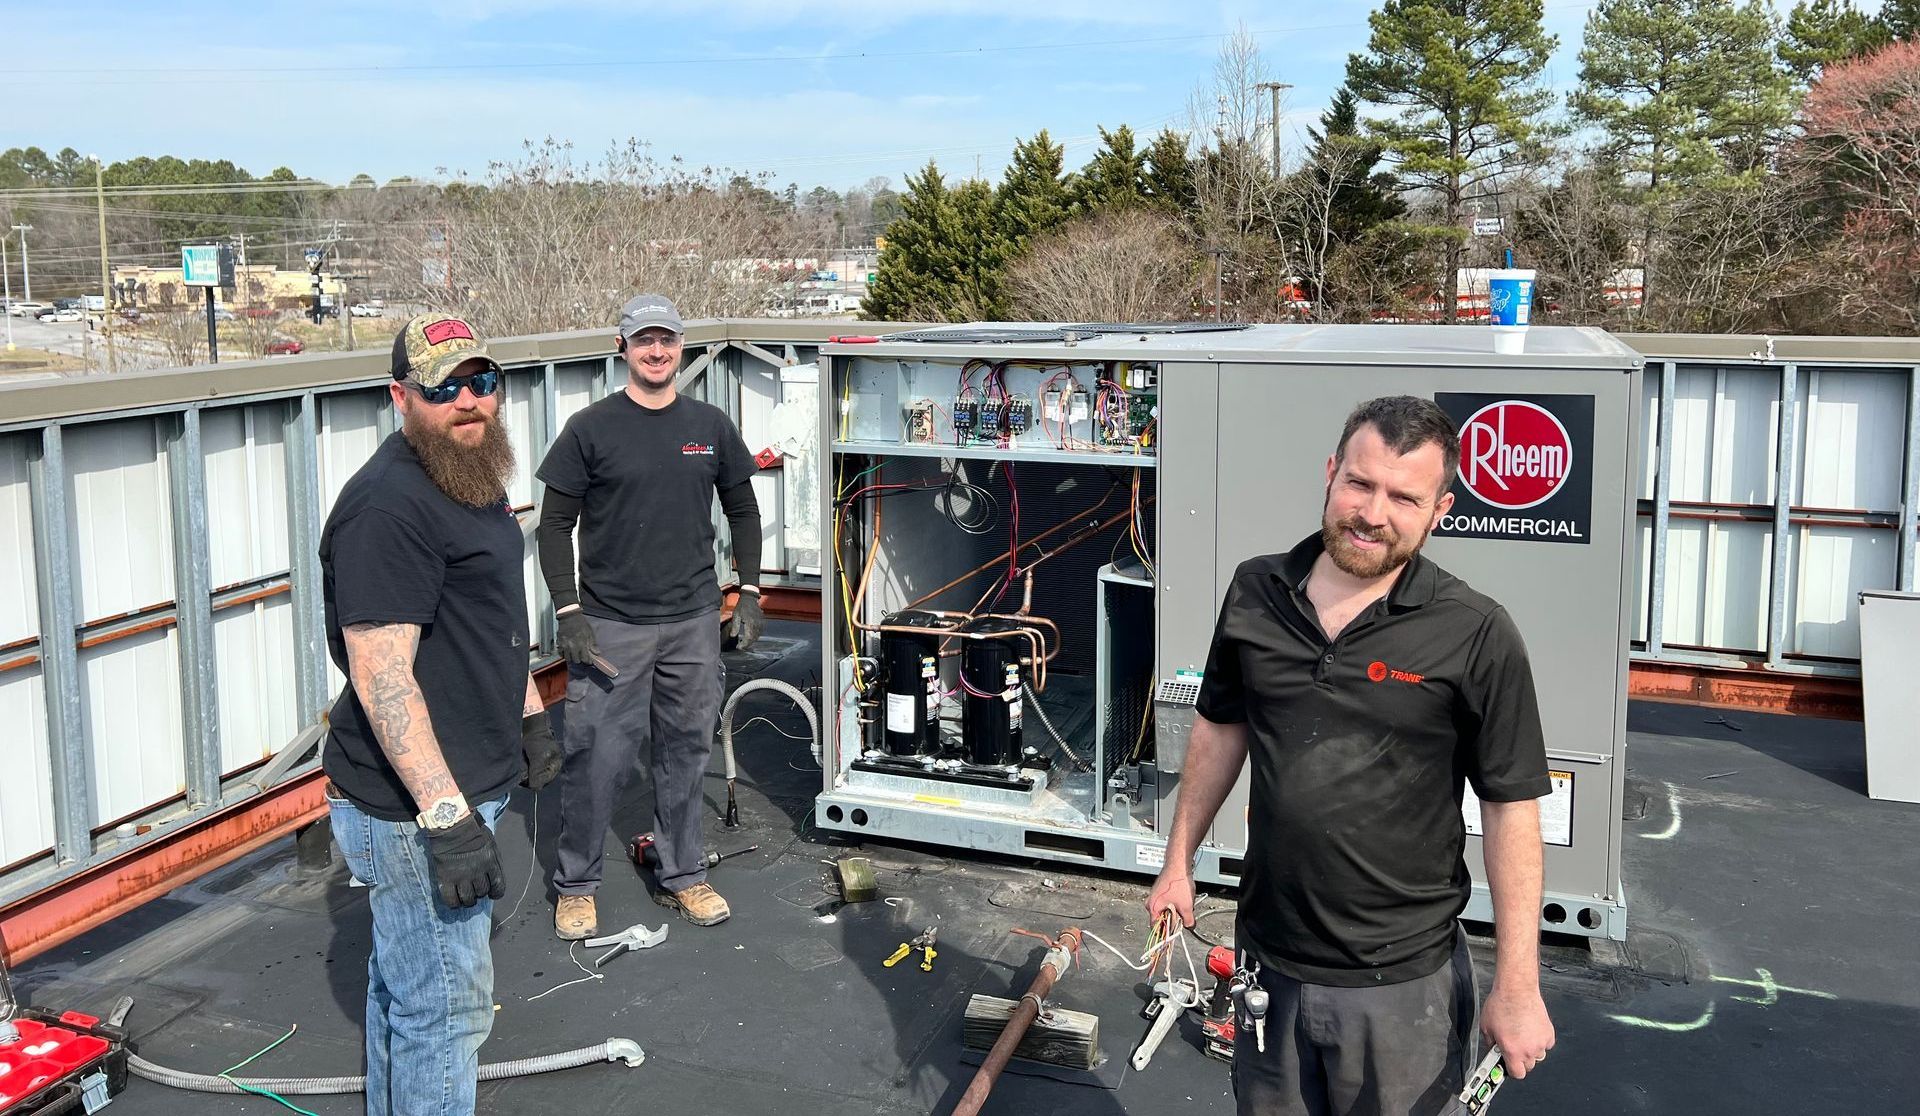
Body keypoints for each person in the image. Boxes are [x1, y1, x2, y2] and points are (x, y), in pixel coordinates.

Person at [1147, 395, 1556, 1116]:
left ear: (1441, 511)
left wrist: (1517, 986)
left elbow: (1510, 808)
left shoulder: (1476, 632)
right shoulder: (1256, 591)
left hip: (1400, 985)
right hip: (1266, 959)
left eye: (1405, 497)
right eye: (1360, 484)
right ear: (1331, 472)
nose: (1373, 513)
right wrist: (1177, 862)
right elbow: (1220, 729)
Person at [319, 314, 564, 1116]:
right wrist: (448, 819)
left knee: (407, 994)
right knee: (445, 1014)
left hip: (464, 776)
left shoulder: (472, 474)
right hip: (414, 808)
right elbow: (382, 674)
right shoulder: (386, 508)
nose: (470, 402)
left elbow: (491, 618)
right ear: (400, 396)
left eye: (483, 381)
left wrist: (528, 714)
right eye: (444, 386)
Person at [537, 293, 765, 939]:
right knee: (597, 757)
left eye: (666, 339)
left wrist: (747, 592)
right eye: (644, 341)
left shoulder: (710, 424)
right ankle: (577, 884)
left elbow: (743, 512)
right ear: (623, 349)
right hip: (612, 624)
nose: (656, 351)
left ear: (681, 347)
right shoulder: (590, 429)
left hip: (692, 619)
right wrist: (570, 610)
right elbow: (553, 526)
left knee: (686, 752)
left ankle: (683, 872)